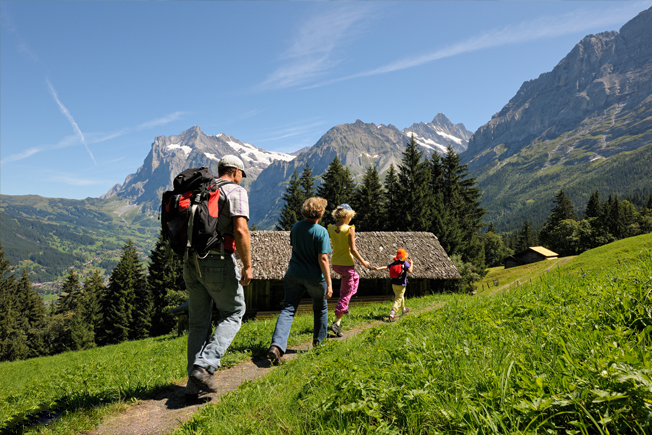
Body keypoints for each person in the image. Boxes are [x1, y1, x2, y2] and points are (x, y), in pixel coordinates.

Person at [185, 155, 252, 401]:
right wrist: (247, 265)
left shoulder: (202, 190)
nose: (242, 178)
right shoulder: (235, 191)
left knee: (198, 324)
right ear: (235, 171)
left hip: (190, 262)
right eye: (242, 174)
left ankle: (193, 388)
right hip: (217, 260)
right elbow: (241, 229)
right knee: (234, 312)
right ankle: (204, 366)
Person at [268, 197, 333, 363]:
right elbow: (323, 259)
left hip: (293, 274)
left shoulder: (296, 226)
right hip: (314, 277)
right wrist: (330, 283)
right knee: (320, 308)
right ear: (320, 213)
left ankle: (276, 346)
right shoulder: (321, 231)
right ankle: (320, 344)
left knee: (288, 309)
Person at [327, 204, 370, 337]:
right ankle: (337, 323)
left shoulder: (331, 228)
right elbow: (352, 249)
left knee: (355, 279)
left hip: (335, 263)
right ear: (347, 216)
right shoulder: (349, 229)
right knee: (345, 294)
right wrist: (364, 262)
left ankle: (344, 308)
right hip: (347, 265)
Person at [373, 249, 412, 322]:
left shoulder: (394, 263)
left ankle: (403, 310)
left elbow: (386, 267)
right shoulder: (405, 263)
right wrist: (411, 263)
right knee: (398, 299)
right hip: (401, 284)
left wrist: (377, 269)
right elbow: (410, 271)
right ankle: (392, 313)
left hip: (394, 284)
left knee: (400, 297)